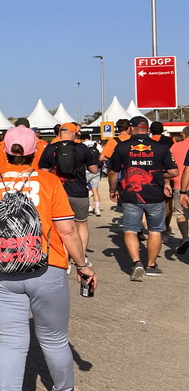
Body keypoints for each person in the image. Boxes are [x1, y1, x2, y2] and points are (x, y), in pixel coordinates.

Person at [0, 126, 99, 391]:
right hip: (47, 269)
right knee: (54, 339)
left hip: (2, 273)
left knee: (11, 343)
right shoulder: (49, 181)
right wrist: (83, 265)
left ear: (4, 150)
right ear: (34, 152)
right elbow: (68, 231)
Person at [107, 116, 177, 281]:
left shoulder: (121, 146)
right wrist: (161, 178)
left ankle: (136, 262)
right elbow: (174, 172)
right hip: (155, 195)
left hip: (131, 195)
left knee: (131, 230)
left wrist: (112, 189)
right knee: (155, 230)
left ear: (131, 128)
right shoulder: (160, 147)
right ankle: (151, 265)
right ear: (147, 128)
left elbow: (112, 172)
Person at [38, 123, 99, 256]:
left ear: (60, 133)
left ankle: (64, 257)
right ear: (73, 133)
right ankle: (81, 256)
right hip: (79, 192)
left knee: (59, 227)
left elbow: (44, 174)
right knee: (81, 225)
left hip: (58, 195)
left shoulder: (50, 149)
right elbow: (94, 170)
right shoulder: (82, 148)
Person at [75, 131, 103, 216]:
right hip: (96, 169)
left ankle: (89, 207)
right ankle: (97, 209)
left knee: (85, 189)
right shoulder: (96, 145)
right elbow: (102, 154)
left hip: (85, 170)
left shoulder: (81, 146)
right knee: (95, 191)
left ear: (82, 139)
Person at [171, 127, 189, 255]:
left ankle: (185, 238)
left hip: (180, 183)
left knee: (180, 213)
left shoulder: (175, 147)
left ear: (183, 135)